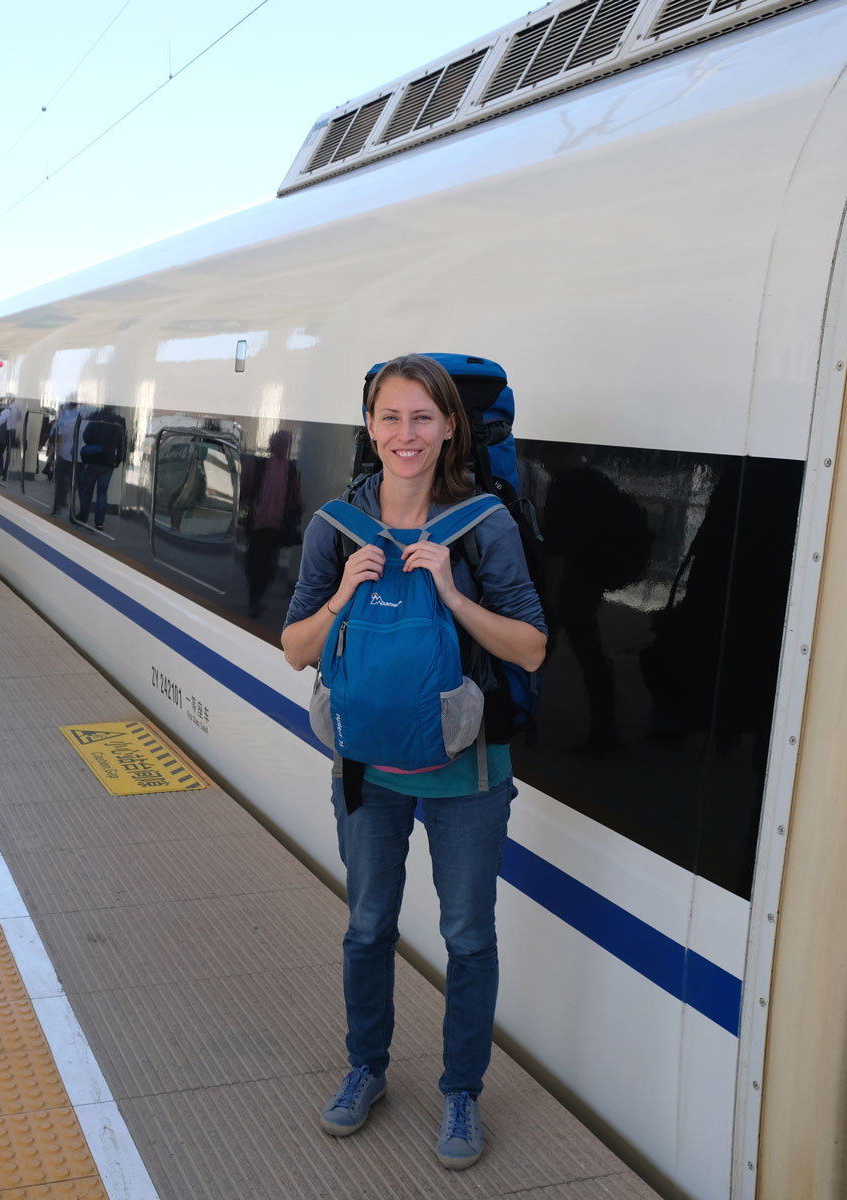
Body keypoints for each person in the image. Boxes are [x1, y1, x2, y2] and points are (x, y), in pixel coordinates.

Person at [280, 354, 547, 1171]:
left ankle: (460, 1091)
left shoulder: (484, 525)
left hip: (467, 777)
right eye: (391, 418)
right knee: (367, 926)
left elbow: (531, 650)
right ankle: (367, 1069)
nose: (407, 435)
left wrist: (458, 597)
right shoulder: (336, 526)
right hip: (365, 771)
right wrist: (340, 595)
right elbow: (295, 651)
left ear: (448, 429)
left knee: (467, 935)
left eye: (423, 419)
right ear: (370, 427)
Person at [240, 430, 304, 617]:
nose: (281, 446)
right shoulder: (260, 466)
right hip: (259, 525)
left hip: (274, 528)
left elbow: (297, 499)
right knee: (256, 563)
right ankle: (254, 598)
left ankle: (256, 598)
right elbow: (244, 489)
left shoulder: (290, 471)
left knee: (265, 565)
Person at [74, 403, 126, 530]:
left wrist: (94, 443)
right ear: (114, 408)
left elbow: (86, 437)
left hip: (92, 460)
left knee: (87, 492)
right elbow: (121, 444)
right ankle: (99, 522)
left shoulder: (95, 418)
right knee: (102, 493)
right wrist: (117, 461)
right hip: (108, 463)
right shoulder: (118, 422)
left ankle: (83, 517)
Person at [47, 399, 81, 516]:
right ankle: (71, 510)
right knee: (74, 485)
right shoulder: (81, 417)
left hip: (64, 456)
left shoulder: (64, 419)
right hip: (78, 458)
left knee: (59, 483)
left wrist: (56, 456)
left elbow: (56, 436)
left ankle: (56, 508)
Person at [0, 402, 17, 481]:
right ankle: (5, 473)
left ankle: (0, 470)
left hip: (5, 434)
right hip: (14, 434)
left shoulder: (7, 411)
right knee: (9, 455)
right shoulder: (18, 412)